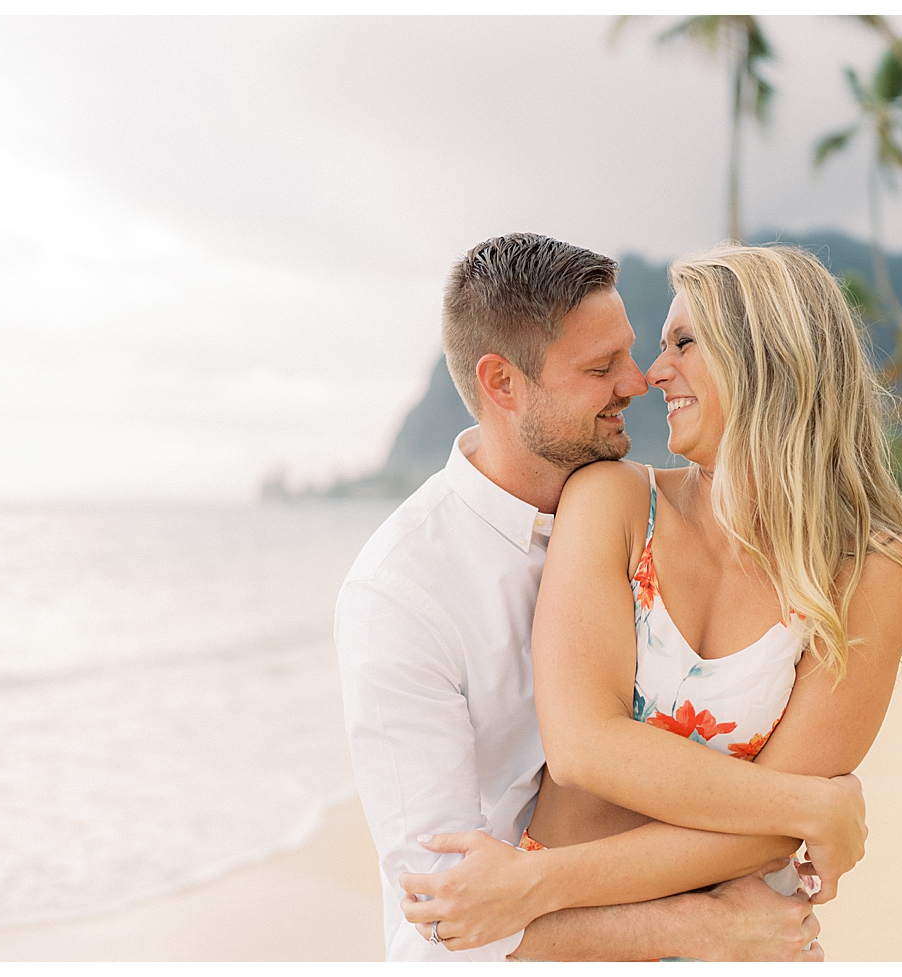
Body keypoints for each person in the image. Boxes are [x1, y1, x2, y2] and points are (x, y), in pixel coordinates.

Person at [335, 233, 867, 961]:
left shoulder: (624, 503)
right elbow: (436, 928)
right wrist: (699, 923)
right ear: (502, 384)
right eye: (600, 366)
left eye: (632, 350)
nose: (640, 379)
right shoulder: (401, 595)